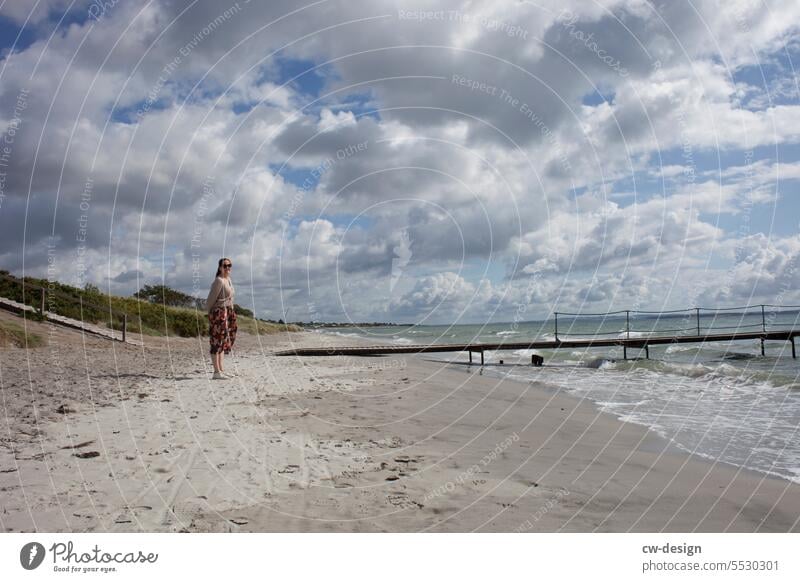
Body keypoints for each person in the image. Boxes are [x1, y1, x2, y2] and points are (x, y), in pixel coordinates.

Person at [206, 258, 238, 379]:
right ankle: (216, 372)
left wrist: (231, 311)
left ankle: (221, 370)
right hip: (219, 313)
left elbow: (231, 297)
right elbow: (210, 301)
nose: (228, 268)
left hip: (228, 312)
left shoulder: (228, 279)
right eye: (225, 266)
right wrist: (212, 315)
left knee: (224, 341)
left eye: (230, 265)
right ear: (220, 267)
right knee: (216, 341)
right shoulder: (219, 281)